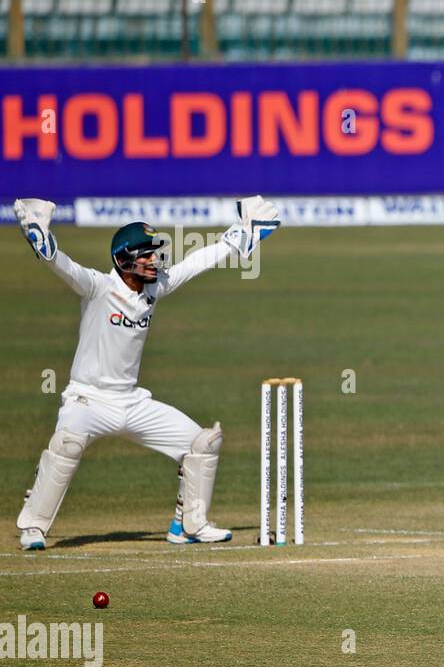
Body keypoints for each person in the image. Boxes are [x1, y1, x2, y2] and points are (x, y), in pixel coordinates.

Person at [12, 196, 280, 550]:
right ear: (125, 260)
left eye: (155, 253)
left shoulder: (153, 289)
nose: (155, 259)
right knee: (66, 445)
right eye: (147, 254)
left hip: (131, 402)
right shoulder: (98, 287)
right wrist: (43, 243)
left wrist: (239, 236)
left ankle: (187, 525)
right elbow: (66, 268)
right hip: (87, 399)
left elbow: (195, 263)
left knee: (202, 443)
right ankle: (33, 527)